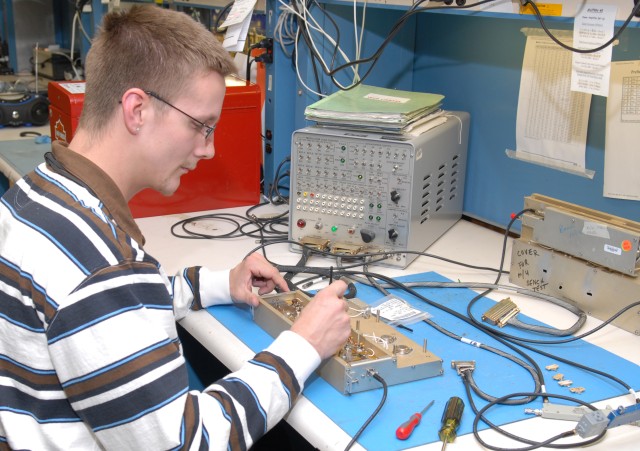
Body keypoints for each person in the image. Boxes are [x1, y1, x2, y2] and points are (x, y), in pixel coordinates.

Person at [0, 5, 351, 450]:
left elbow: (115, 309)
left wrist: (222, 283)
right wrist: (304, 345)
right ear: (137, 109)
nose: (208, 149)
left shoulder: (38, 194)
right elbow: (189, 443)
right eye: (201, 126)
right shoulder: (104, 269)